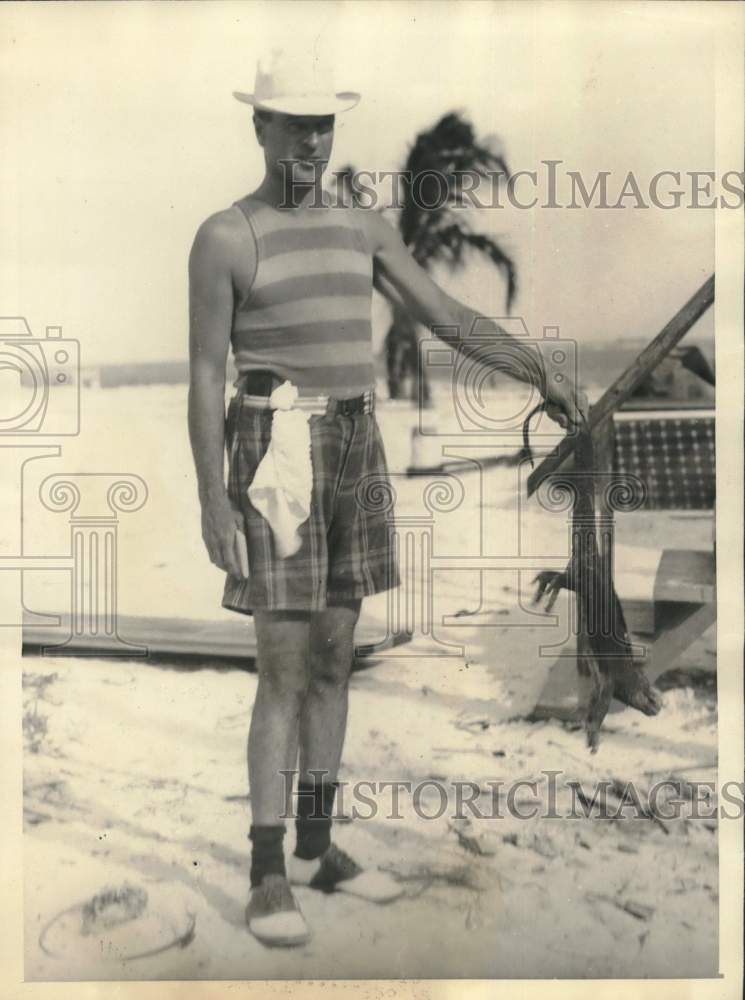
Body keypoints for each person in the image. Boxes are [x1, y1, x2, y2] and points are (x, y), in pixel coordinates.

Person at [187, 51, 588, 949]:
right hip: (274, 450)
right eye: (294, 126)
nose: (311, 143)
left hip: (357, 444)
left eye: (323, 126)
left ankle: (315, 848)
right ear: (259, 127)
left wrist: (541, 372)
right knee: (282, 669)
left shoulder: (363, 227)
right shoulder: (224, 236)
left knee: (335, 655)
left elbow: (445, 314)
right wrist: (214, 503)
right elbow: (205, 372)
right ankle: (263, 873)